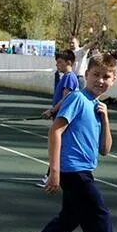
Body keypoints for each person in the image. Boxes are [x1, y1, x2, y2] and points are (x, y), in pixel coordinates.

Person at [14, 53, 117, 232]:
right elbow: (56, 131)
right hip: (73, 172)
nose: (100, 81)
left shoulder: (96, 106)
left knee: (68, 220)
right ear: (86, 75)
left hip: (84, 170)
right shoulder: (79, 99)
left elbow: (105, 149)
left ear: (114, 80)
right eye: (96, 75)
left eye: (106, 77)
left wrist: (106, 118)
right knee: (101, 220)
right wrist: (55, 170)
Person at [37, 49, 80, 188]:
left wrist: (52, 110)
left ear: (69, 62)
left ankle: (50, 176)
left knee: (58, 146)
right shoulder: (65, 77)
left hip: (62, 117)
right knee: (59, 147)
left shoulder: (69, 77)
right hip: (59, 115)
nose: (57, 65)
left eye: (60, 62)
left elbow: (66, 98)